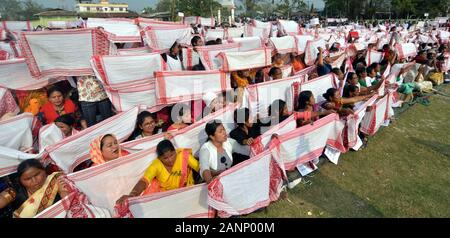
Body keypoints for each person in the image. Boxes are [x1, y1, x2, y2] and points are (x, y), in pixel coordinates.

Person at [115, 140, 199, 205]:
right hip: (167, 197)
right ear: (160, 158)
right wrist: (132, 195)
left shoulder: (183, 156)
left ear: (175, 151)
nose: (170, 160)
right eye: (165, 158)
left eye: (172, 155)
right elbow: (144, 180)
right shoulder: (156, 165)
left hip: (187, 191)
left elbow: (200, 168)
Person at [0, 159, 70, 218]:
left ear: (44, 171)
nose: (34, 181)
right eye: (27, 179)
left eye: (37, 174)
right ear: (20, 181)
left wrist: (63, 191)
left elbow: (71, 206)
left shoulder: (56, 181)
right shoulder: (14, 191)